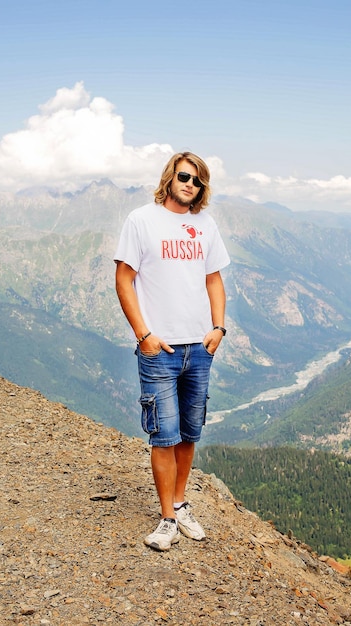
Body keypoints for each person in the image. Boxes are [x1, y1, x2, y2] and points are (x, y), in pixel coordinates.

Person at [114, 151, 230, 551]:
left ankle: (180, 504)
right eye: (184, 176)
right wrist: (143, 334)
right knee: (163, 435)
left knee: (188, 433)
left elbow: (213, 279)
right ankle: (166, 518)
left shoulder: (206, 224)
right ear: (170, 178)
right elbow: (124, 279)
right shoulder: (141, 220)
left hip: (199, 346)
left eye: (197, 181)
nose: (190, 185)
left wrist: (218, 328)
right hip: (158, 348)